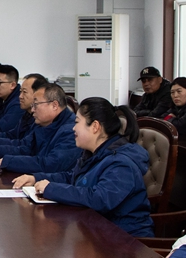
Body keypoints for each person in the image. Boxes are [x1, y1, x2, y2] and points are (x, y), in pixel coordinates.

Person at [12, 97, 154, 238]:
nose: (73, 128)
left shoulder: (121, 163)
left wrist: (51, 189)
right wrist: (36, 178)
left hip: (125, 240)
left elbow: (99, 199)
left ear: (95, 126)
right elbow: (72, 177)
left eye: (77, 122)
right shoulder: (94, 153)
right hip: (96, 231)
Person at [0, 83, 81, 173]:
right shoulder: (43, 123)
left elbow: (50, 164)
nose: (32, 110)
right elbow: (25, 147)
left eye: (35, 105)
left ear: (54, 105)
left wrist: (9, 161)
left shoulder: (71, 131)